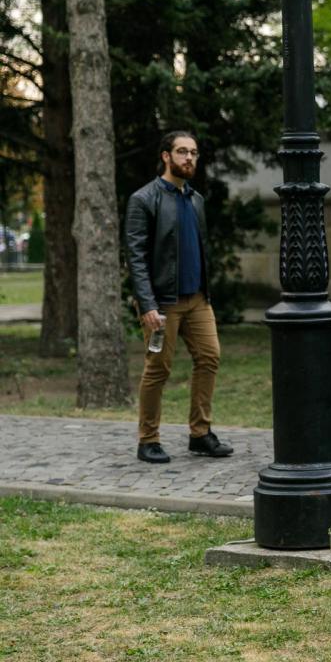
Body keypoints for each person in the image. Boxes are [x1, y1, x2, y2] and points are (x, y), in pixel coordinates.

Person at [125, 131, 232, 464]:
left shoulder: (196, 199)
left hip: (198, 299)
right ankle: (148, 440)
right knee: (158, 368)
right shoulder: (144, 199)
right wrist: (147, 304)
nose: (190, 159)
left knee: (210, 357)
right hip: (163, 304)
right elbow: (136, 257)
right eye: (182, 152)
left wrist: (206, 292)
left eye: (194, 153)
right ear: (166, 156)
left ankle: (200, 434)